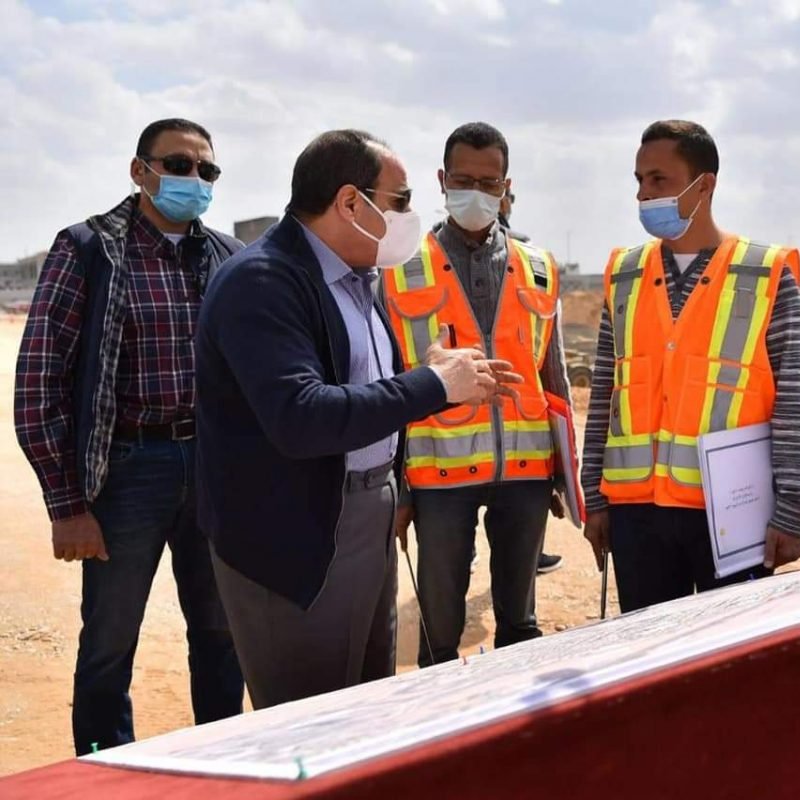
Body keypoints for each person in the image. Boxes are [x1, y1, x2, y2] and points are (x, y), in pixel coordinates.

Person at [196, 129, 517, 709]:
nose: (410, 216)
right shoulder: (262, 281)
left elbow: (362, 390)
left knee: (368, 707)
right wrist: (433, 385)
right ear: (350, 202)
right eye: (399, 201)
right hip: (299, 535)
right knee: (313, 718)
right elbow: (302, 416)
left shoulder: (356, 277)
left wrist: (434, 381)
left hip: (367, 516)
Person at [14, 118, 245, 755]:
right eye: (179, 165)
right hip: (128, 470)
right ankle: (105, 772)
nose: (194, 179)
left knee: (221, 634)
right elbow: (38, 383)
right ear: (140, 171)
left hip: (213, 468)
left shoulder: (227, 257)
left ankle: (224, 763)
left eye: (207, 170)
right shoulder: (90, 249)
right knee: (110, 642)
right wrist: (67, 506)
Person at [580, 119, 800, 613]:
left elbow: (794, 399)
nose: (643, 194)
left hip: (733, 513)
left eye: (658, 180)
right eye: (639, 180)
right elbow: (606, 389)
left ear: (703, 185)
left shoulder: (764, 274)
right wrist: (594, 497)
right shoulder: (624, 274)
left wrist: (792, 508)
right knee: (649, 652)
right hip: (636, 513)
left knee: (731, 654)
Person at [385, 122, 572, 667]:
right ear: (442, 180)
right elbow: (389, 380)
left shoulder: (538, 266)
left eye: (489, 184)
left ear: (505, 187)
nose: (476, 193)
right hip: (439, 476)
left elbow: (554, 375)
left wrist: (562, 472)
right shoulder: (400, 268)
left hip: (526, 470)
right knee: (440, 633)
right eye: (463, 180)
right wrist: (399, 486)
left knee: (521, 624)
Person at [497, 187, 564, 576]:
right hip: (499, 408)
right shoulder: (526, 252)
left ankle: (530, 555)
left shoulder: (529, 256)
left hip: (521, 411)